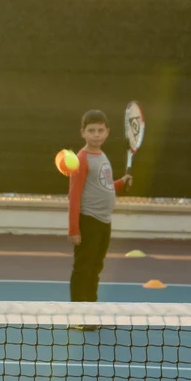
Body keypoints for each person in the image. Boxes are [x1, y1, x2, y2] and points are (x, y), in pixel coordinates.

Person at [67, 110, 132, 321]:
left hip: (104, 221)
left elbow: (103, 186)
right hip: (89, 221)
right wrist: (74, 228)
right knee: (83, 268)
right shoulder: (81, 159)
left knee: (96, 267)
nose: (96, 134)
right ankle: (78, 315)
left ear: (107, 132)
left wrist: (120, 184)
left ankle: (91, 310)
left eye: (100, 130)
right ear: (82, 133)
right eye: (91, 130)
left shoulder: (102, 155)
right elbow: (74, 195)